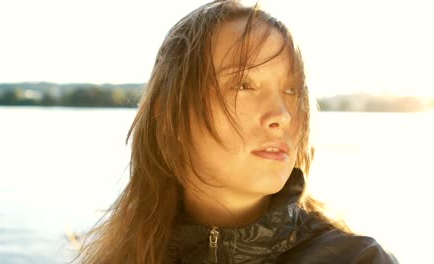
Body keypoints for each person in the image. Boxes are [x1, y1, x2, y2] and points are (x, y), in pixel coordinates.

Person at [78, 0, 399, 263]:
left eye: (291, 90)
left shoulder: (356, 260)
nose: (282, 116)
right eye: (245, 85)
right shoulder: (124, 256)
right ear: (169, 111)